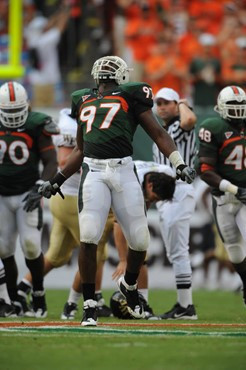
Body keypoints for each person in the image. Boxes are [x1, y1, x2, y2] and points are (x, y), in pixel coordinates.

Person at [38, 55, 196, 327]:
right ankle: (89, 306)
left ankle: (130, 286)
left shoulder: (118, 97)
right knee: (89, 235)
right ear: (121, 76)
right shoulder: (97, 98)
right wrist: (58, 179)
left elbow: (157, 134)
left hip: (123, 170)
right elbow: (83, 148)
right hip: (95, 172)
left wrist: (178, 162)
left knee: (139, 240)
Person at [17, 108, 113, 319]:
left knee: (56, 256)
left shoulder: (71, 122)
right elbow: (63, 161)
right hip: (71, 198)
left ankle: (21, 289)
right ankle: (74, 304)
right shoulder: (70, 127)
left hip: (63, 199)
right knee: (93, 251)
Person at [0, 81, 58, 317]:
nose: (13, 117)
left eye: (17, 111)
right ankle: (13, 299)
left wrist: (41, 185)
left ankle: (39, 294)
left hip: (27, 193)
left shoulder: (36, 124)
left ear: (27, 106)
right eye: (8, 112)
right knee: (4, 249)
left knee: (31, 245)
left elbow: (51, 161)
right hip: (2, 194)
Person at [197, 85, 246, 305]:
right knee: (234, 252)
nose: (238, 110)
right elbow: (205, 171)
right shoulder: (213, 127)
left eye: (240, 105)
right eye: (233, 105)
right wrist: (236, 189)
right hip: (224, 198)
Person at [153, 87, 198, 320]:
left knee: (179, 252)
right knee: (174, 252)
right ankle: (184, 305)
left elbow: (189, 119)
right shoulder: (162, 129)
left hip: (178, 190)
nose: (161, 106)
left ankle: (186, 307)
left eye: (166, 102)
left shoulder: (178, 126)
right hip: (166, 194)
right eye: (158, 102)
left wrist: (181, 102)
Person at [111, 160, 176, 319]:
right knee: (94, 247)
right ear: (150, 186)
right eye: (154, 198)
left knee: (140, 255)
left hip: (128, 189)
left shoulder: (168, 175)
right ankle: (90, 302)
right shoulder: (132, 184)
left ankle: (143, 303)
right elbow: (118, 224)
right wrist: (122, 260)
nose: (153, 202)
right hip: (106, 196)